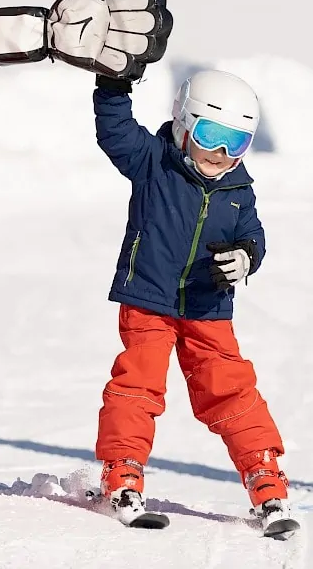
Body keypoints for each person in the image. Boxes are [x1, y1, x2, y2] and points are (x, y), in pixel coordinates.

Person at [92, 68, 295, 534]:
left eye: (237, 142)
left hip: (207, 307)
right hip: (148, 299)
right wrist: (112, 82)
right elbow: (114, 129)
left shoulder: (239, 189)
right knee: (138, 384)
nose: (222, 154)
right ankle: (122, 471)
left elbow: (253, 238)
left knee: (231, 390)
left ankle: (265, 478)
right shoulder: (152, 161)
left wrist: (246, 258)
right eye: (211, 135)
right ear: (184, 124)